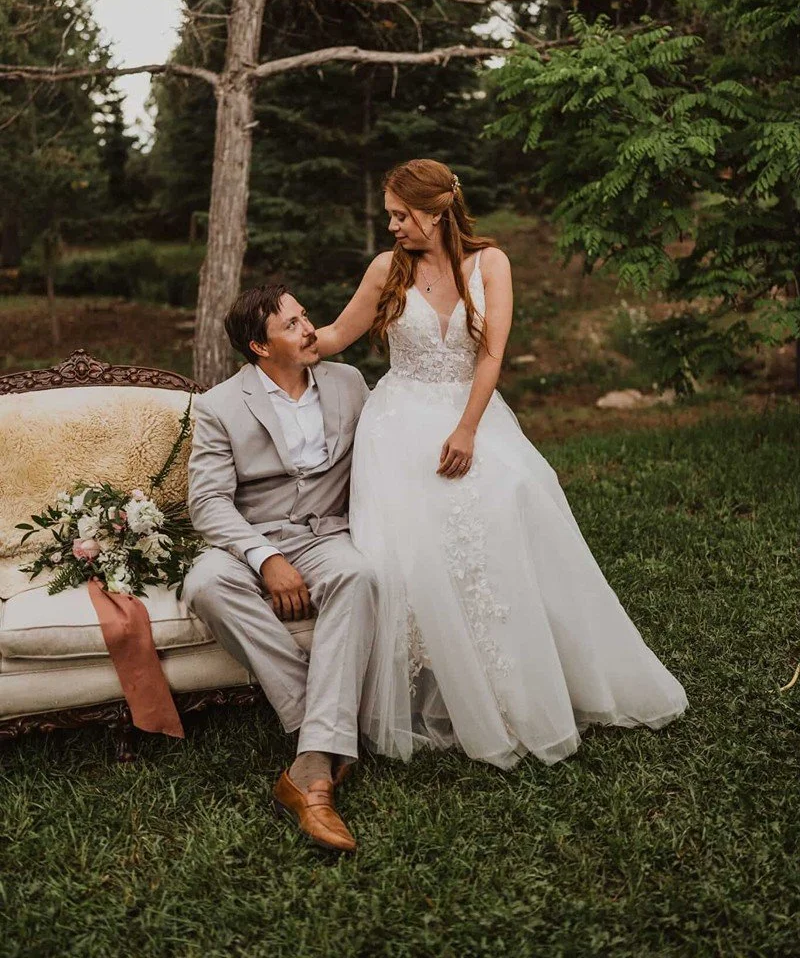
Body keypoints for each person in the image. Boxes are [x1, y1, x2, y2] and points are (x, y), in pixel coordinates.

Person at [315, 158, 688, 769]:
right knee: (412, 551)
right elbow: (335, 336)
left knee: (508, 505)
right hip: (398, 424)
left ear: (437, 212)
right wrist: (282, 339)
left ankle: (520, 679)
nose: (393, 226)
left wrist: (467, 429)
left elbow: (490, 355)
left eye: (401, 215)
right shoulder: (386, 269)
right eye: (391, 216)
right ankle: (437, 688)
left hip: (473, 414)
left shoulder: (491, 264)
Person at [184, 284, 377, 853]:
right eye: (291, 325)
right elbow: (208, 502)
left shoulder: (348, 383)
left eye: (304, 315)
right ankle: (318, 725)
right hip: (254, 536)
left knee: (358, 576)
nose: (310, 328)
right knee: (204, 584)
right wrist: (265, 558)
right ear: (260, 347)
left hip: (325, 535)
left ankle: (310, 765)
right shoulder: (219, 405)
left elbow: (387, 450)